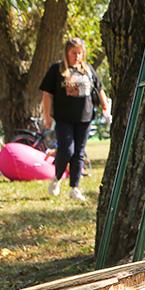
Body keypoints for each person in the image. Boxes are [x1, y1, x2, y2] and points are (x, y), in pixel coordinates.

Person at [40, 38, 109, 201]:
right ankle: (57, 178)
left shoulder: (88, 70)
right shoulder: (56, 70)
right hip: (63, 118)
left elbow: (100, 90)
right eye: (73, 53)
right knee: (66, 150)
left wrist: (105, 109)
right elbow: (47, 94)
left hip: (85, 118)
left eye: (80, 53)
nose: (77, 56)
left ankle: (74, 188)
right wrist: (47, 115)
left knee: (79, 153)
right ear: (66, 53)